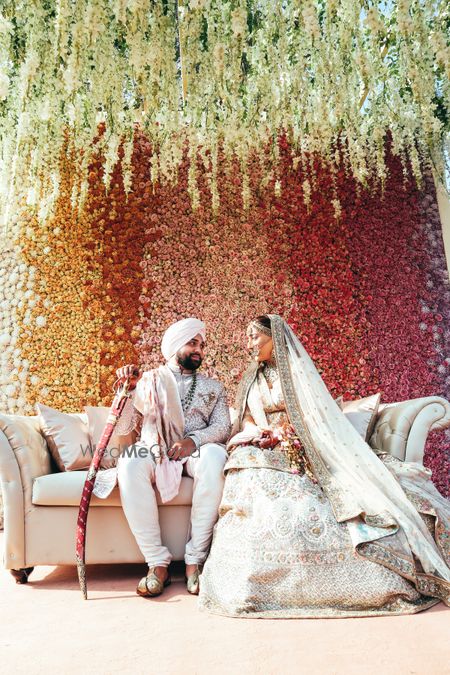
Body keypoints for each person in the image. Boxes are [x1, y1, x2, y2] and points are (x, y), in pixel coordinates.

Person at [199, 314, 450, 618]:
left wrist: (281, 434)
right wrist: (257, 433)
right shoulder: (253, 377)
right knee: (246, 464)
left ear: (274, 339)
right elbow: (247, 416)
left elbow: (310, 419)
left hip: (297, 443)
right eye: (248, 337)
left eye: (255, 337)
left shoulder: (296, 374)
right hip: (261, 445)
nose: (249, 344)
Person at [113, 317, 231, 598]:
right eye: (192, 342)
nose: (199, 350)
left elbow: (222, 427)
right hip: (155, 447)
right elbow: (123, 428)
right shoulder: (149, 381)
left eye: (202, 345)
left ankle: (195, 561)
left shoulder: (213, 387)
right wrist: (126, 391)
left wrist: (193, 441)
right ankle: (157, 564)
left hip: (195, 449)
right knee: (129, 460)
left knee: (215, 458)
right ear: (176, 345)